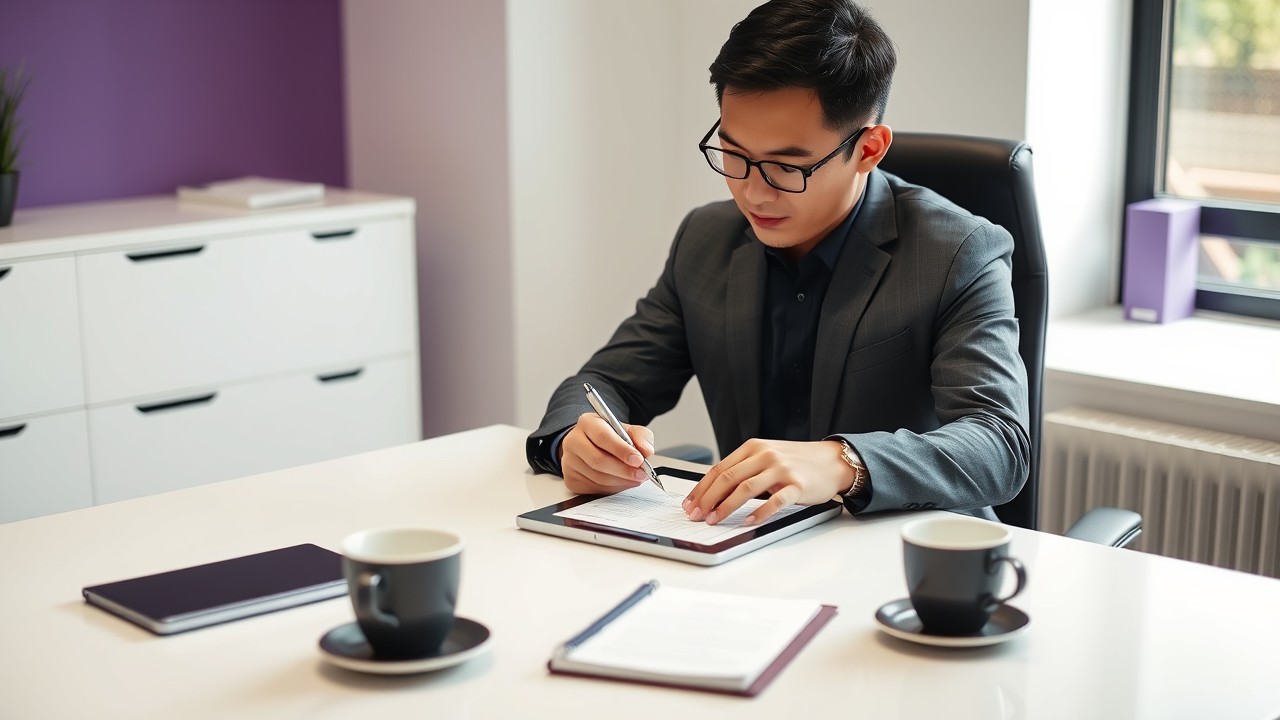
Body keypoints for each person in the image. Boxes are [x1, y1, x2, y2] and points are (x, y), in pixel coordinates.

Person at [525, 0, 1029, 527]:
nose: (752, 191)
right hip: (744, 549)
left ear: (869, 149)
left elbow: (999, 444)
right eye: (733, 154)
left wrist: (844, 461)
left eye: (787, 167)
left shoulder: (957, 252)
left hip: (901, 560)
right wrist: (573, 442)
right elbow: (607, 382)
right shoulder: (707, 238)